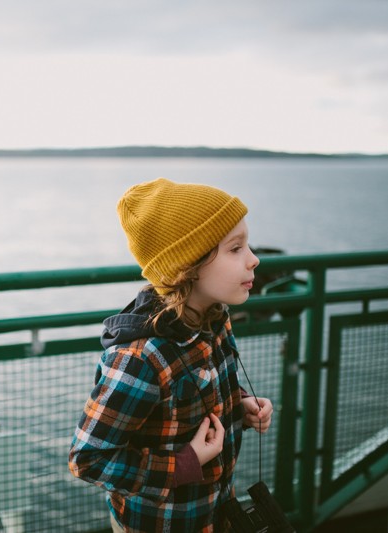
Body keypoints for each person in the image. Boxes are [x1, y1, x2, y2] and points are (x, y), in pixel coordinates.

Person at [68, 178, 274, 532]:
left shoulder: (213, 319)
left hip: (213, 514)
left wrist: (239, 404)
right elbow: (87, 459)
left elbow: (193, 393)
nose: (254, 259)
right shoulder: (139, 359)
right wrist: (183, 464)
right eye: (235, 248)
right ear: (188, 266)